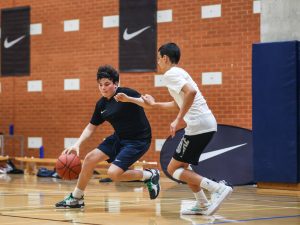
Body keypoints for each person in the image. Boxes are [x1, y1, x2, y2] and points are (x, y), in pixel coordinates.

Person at [114, 43, 232, 216]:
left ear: (165, 58)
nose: (158, 62)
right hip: (204, 124)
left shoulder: (171, 74)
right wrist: (141, 101)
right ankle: (202, 203)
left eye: (158, 58)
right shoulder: (179, 73)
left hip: (198, 125)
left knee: (173, 169)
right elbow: (177, 103)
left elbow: (190, 93)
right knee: (183, 167)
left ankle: (217, 189)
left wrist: (177, 120)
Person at [55, 65, 160, 209]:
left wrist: (128, 99)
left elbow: (149, 105)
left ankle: (148, 175)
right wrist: (77, 144)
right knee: (89, 159)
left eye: (107, 84)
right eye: (100, 85)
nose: (103, 88)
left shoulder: (127, 93)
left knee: (114, 174)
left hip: (138, 140)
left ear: (116, 84)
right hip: (119, 138)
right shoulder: (101, 104)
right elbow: (91, 126)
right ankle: (77, 198)